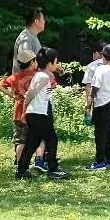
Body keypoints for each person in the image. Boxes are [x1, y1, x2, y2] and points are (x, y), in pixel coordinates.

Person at [15, 47, 68, 180]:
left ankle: (22, 170)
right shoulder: (43, 77)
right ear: (49, 64)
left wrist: (26, 112)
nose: (56, 65)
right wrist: (24, 111)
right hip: (38, 114)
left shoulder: (42, 75)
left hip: (35, 113)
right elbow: (30, 93)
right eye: (55, 62)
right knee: (52, 139)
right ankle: (53, 169)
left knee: (33, 142)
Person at [0, 47, 38, 172]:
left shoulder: (15, 77)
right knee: (35, 138)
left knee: (20, 140)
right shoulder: (37, 76)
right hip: (34, 111)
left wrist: (13, 96)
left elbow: (0, 85)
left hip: (19, 112)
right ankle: (37, 161)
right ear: (32, 62)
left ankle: (20, 165)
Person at [86, 44, 110, 171]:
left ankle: (100, 161)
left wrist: (88, 106)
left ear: (102, 56)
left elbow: (94, 89)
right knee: (106, 132)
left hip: (101, 104)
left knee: (100, 133)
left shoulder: (100, 70)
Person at [12, 6, 45, 73]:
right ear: (36, 21)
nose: (44, 21)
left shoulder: (32, 37)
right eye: (43, 19)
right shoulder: (26, 39)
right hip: (25, 82)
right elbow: (25, 64)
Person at [81, 44, 104, 125]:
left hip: (97, 101)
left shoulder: (92, 66)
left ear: (97, 53)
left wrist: (87, 108)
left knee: (98, 129)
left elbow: (88, 87)